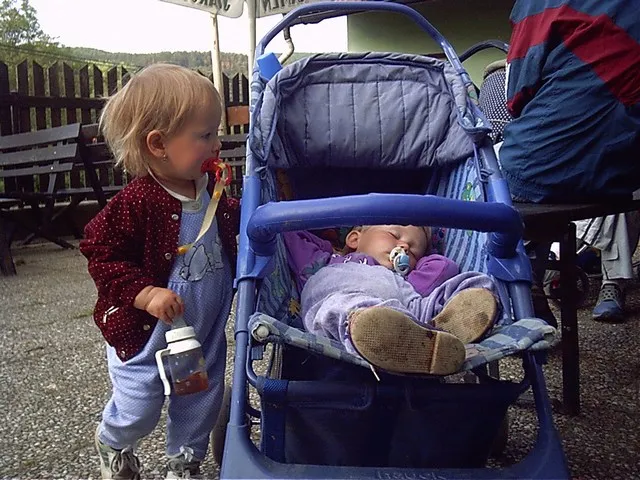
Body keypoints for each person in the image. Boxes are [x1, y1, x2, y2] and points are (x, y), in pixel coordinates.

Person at [80, 64, 239, 480]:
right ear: (159, 144)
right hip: (147, 337)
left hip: (201, 330)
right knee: (139, 407)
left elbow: (232, 220)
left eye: (216, 133)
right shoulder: (138, 201)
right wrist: (145, 293)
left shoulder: (211, 189)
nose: (217, 144)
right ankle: (114, 441)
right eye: (205, 135)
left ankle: (185, 461)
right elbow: (100, 251)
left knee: (199, 399)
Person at [481, 1, 640, 323]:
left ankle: (520, 282)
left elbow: (517, 97)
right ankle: (609, 282)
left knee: (483, 172)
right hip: (624, 174)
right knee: (605, 170)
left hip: (545, 166)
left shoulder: (539, 4)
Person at [282, 225, 499, 376]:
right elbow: (289, 231)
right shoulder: (323, 261)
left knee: (474, 283)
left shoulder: (410, 279)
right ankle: (397, 336)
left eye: (414, 251)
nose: (404, 246)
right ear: (355, 238)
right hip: (343, 309)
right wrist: (330, 243)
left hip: (407, 310)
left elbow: (445, 268)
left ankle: (431, 335)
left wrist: (416, 262)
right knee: (339, 309)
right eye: (394, 235)